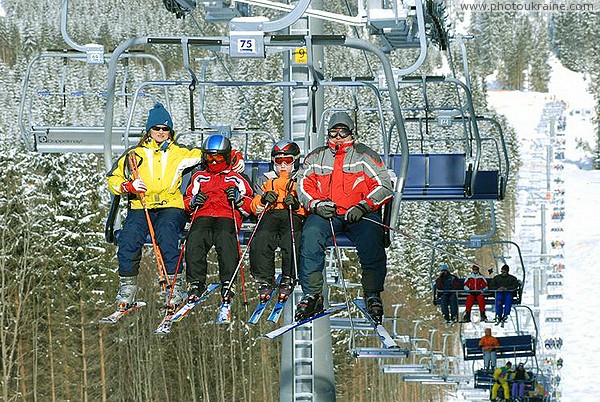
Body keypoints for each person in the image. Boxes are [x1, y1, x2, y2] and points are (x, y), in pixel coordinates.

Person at [294, 112, 393, 323]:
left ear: (351, 133)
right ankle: (313, 294)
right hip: (327, 213)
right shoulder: (317, 157)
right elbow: (303, 184)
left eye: (343, 132)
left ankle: (372, 293)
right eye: (333, 133)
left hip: (358, 213)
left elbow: (385, 186)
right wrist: (316, 205)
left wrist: (365, 205)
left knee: (371, 239)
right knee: (310, 235)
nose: (338, 137)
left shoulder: (365, 156)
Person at [106, 103, 204, 311]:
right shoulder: (134, 154)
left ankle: (174, 288)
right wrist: (127, 186)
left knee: (167, 234)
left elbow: (211, 154)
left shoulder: (180, 152)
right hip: (141, 205)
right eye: (156, 128)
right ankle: (128, 287)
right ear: (149, 130)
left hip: (170, 205)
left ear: (170, 131)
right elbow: (112, 179)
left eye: (165, 129)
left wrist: (234, 158)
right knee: (129, 237)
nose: (160, 133)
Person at [183, 134, 253, 304]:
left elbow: (251, 205)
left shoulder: (237, 178)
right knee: (195, 238)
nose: (214, 161)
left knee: (225, 238)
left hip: (226, 215)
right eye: (209, 156)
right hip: (203, 214)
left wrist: (238, 200)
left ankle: (228, 281)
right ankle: (195, 282)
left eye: (219, 157)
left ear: (227, 156)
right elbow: (186, 199)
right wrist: (192, 203)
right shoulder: (199, 177)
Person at [249, 140, 306, 302]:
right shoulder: (266, 180)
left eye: (287, 161)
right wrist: (263, 200)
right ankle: (265, 277)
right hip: (271, 213)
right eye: (278, 161)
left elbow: (308, 203)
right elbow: (254, 207)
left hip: (291, 214)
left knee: (292, 238)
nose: (282, 165)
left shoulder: (301, 180)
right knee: (262, 237)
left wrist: (297, 205)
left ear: (295, 161)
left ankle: (289, 276)